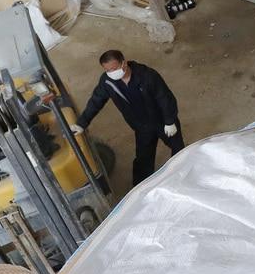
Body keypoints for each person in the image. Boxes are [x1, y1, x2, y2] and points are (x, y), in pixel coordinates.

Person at [74, 50, 185, 186]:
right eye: (108, 70)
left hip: (162, 122)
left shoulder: (147, 76)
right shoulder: (107, 82)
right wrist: (82, 123)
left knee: (178, 148)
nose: (111, 73)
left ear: (124, 63)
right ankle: (140, 187)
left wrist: (170, 120)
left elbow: (164, 98)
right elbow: (96, 101)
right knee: (143, 158)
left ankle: (182, 176)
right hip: (141, 126)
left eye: (114, 69)